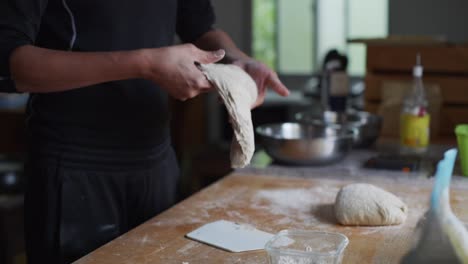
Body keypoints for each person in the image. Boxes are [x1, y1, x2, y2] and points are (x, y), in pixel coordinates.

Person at [0, 0, 289, 263]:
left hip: (156, 163)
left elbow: (200, 27)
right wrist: (146, 64)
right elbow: (10, 62)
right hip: (75, 170)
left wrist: (239, 62)